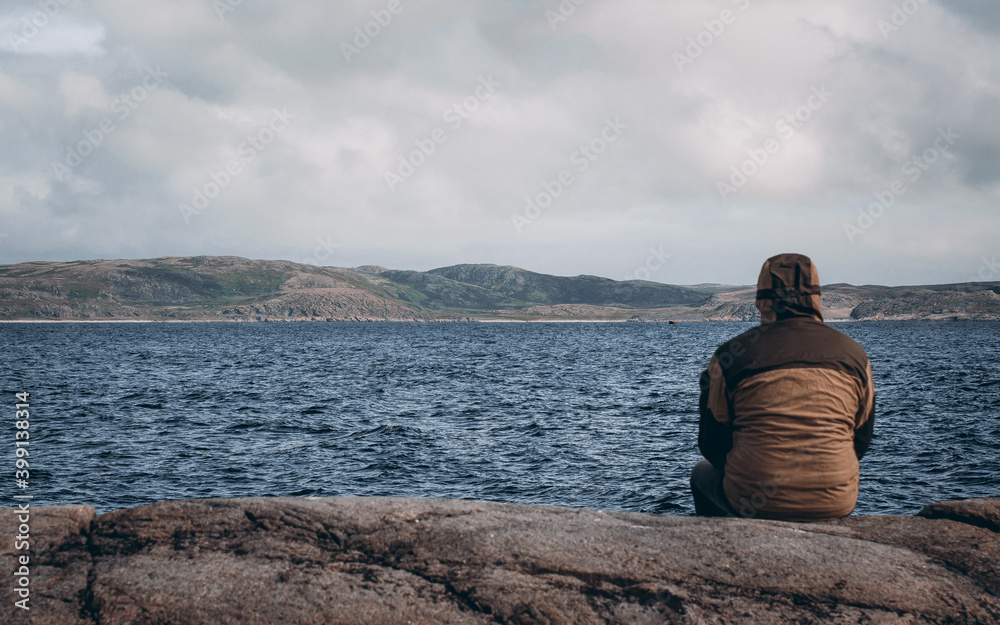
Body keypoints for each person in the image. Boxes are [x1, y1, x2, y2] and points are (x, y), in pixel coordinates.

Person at [690, 253, 875, 521]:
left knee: (701, 474)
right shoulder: (855, 355)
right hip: (836, 499)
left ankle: (721, 548)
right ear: (816, 297)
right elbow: (861, 439)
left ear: (761, 299)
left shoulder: (730, 356)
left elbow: (711, 445)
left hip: (753, 501)